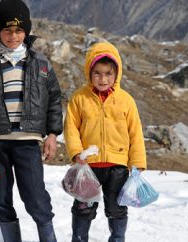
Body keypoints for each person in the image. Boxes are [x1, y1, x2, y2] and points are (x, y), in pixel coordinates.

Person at [0, 0, 62, 241]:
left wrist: (52, 134)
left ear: (26, 31)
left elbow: (55, 100)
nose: (13, 36)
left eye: (18, 30)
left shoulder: (41, 65)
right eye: (7, 30)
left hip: (28, 141)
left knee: (36, 196)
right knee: (1, 197)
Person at [63, 42, 147, 242]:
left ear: (116, 73)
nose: (103, 79)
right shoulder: (79, 98)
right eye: (97, 73)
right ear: (89, 72)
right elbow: (71, 128)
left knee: (116, 207)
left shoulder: (126, 100)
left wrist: (137, 163)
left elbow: (135, 133)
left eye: (109, 73)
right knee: (83, 207)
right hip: (87, 165)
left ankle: (117, 239)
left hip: (117, 165)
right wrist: (76, 153)